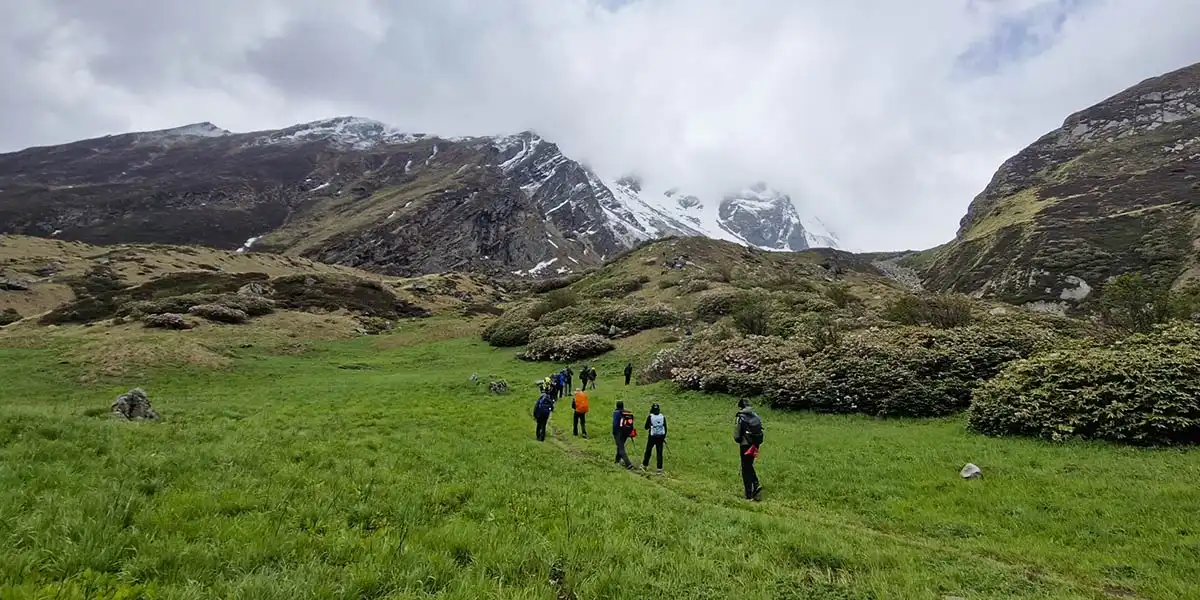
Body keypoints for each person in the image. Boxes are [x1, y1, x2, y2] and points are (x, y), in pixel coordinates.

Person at [733, 398, 764, 500]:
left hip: (745, 445)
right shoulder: (756, 415)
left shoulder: (740, 417)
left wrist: (739, 440)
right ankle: (756, 484)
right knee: (749, 465)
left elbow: (737, 436)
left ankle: (749, 494)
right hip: (755, 444)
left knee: (745, 469)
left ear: (741, 406)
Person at [642, 403, 667, 474]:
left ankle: (644, 465)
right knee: (659, 453)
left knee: (648, 451)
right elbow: (665, 428)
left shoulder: (650, 416)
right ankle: (659, 469)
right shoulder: (662, 417)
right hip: (660, 437)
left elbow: (646, 427)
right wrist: (663, 437)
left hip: (652, 437)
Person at [612, 401, 634, 469]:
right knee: (620, 446)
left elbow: (615, 424)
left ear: (617, 406)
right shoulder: (627, 413)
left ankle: (628, 463)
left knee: (621, 448)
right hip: (626, 432)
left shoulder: (617, 413)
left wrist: (614, 432)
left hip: (618, 433)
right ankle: (617, 460)